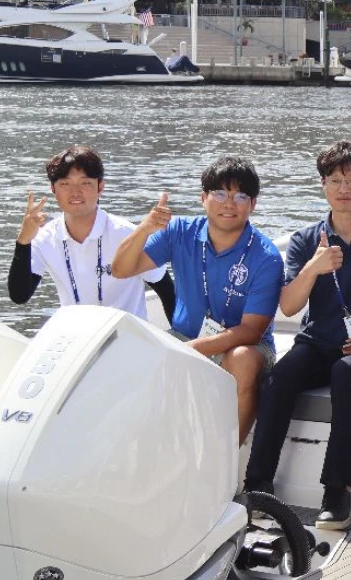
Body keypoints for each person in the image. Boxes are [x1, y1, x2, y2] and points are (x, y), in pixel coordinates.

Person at [244, 141, 351, 529]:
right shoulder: (307, 240)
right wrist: (313, 268)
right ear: (323, 185)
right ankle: (258, 484)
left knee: (348, 372)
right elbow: (287, 306)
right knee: (281, 375)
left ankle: (337, 490)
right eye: (335, 180)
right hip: (318, 341)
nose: (345, 188)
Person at [111, 156, 283, 445]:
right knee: (130, 356)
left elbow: (252, 331)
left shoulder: (266, 256)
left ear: (252, 204)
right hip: (183, 336)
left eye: (240, 196)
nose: (229, 204)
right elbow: (120, 269)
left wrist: (187, 351)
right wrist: (144, 229)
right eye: (219, 194)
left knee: (241, 359)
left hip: (245, 346)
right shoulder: (179, 231)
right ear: (203, 198)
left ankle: (224, 458)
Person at [9, 145, 175, 320]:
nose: (75, 192)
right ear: (53, 188)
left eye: (85, 182)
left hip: (127, 339)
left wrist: (184, 343)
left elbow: (167, 292)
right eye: (65, 183)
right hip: (77, 339)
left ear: (100, 187)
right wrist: (23, 242)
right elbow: (19, 296)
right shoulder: (44, 238)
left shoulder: (129, 234)